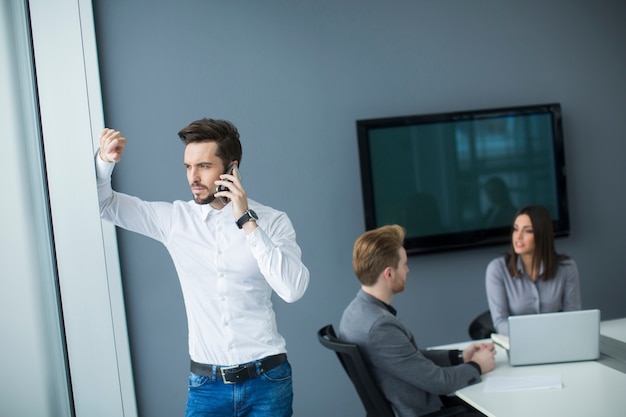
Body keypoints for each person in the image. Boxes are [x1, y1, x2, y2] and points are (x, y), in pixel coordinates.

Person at [96, 118, 310, 417]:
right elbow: (105, 205)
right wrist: (105, 162)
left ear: (232, 169)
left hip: (268, 382)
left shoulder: (272, 222)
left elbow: (292, 289)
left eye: (204, 166)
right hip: (206, 386)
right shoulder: (175, 220)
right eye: (188, 167)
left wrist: (247, 221)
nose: (193, 177)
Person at [338, 225, 495, 417]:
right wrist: (478, 366)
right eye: (404, 264)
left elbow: (409, 358)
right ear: (389, 274)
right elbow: (440, 382)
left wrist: (460, 357)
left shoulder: (354, 313)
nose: (407, 270)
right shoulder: (379, 326)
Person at [485, 205, 581, 335]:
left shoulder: (567, 267)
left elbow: (573, 315)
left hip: (557, 339)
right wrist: (535, 335)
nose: (518, 237)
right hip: (518, 342)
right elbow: (500, 322)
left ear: (542, 235)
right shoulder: (497, 269)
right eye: (515, 229)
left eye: (528, 231)